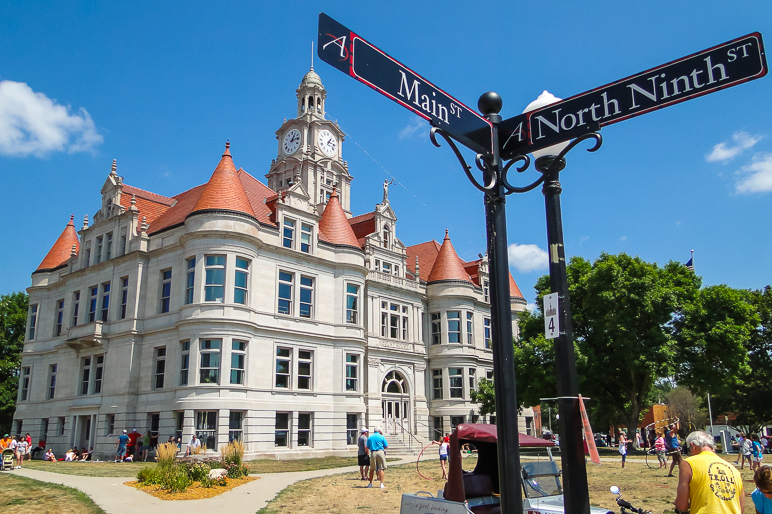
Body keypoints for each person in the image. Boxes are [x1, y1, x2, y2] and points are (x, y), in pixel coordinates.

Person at [675, 430, 744, 514]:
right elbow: (740, 507)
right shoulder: (734, 470)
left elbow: (682, 505)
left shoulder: (688, 464)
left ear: (692, 446)